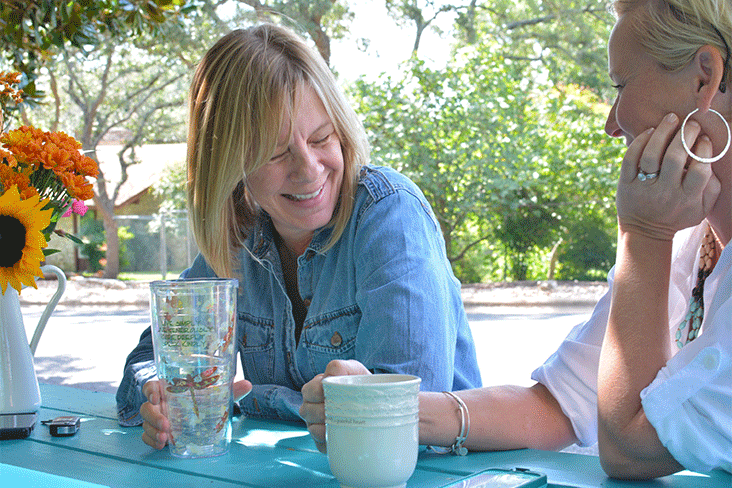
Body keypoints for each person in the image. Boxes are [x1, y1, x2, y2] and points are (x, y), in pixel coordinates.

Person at [301, 0, 731, 479]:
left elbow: (631, 445)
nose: (611, 123)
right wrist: (387, 406)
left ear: (704, 77)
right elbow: (559, 404)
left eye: (620, 85)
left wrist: (643, 235)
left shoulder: (657, 234)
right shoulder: (688, 242)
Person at [115, 23, 482, 449]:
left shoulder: (388, 213)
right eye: (275, 152)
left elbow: (403, 415)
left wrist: (251, 401)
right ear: (230, 166)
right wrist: (158, 392)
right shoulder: (239, 240)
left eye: (321, 137)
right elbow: (148, 362)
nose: (309, 168)